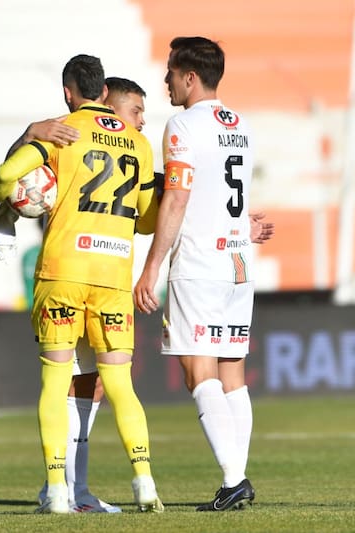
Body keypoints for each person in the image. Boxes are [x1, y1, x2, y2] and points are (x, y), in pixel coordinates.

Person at [0, 54, 163, 514]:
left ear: (69, 91)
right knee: (121, 384)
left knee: (55, 381)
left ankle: (59, 493)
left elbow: (7, 176)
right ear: (105, 93)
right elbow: (146, 221)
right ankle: (144, 482)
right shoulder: (141, 147)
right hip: (112, 278)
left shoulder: (62, 131)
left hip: (63, 272)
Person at [133, 36, 262, 512]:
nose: (165, 80)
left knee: (196, 367)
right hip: (239, 261)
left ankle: (234, 479)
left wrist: (151, 269)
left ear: (189, 76)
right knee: (233, 371)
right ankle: (236, 479)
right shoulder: (241, 125)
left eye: (170, 72)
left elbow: (180, 197)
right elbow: (227, 192)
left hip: (201, 262)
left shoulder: (183, 124)